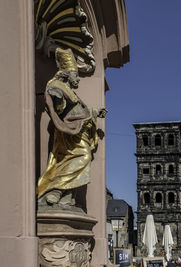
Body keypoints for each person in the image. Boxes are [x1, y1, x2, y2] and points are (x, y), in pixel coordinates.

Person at [36, 47, 107, 210]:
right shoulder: (57, 86)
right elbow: (57, 106)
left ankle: (66, 195)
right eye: (76, 75)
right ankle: (55, 190)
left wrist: (95, 112)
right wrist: (57, 100)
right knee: (82, 157)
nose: (79, 80)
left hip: (78, 132)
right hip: (67, 134)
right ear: (68, 73)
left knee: (78, 160)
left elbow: (80, 111)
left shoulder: (72, 92)